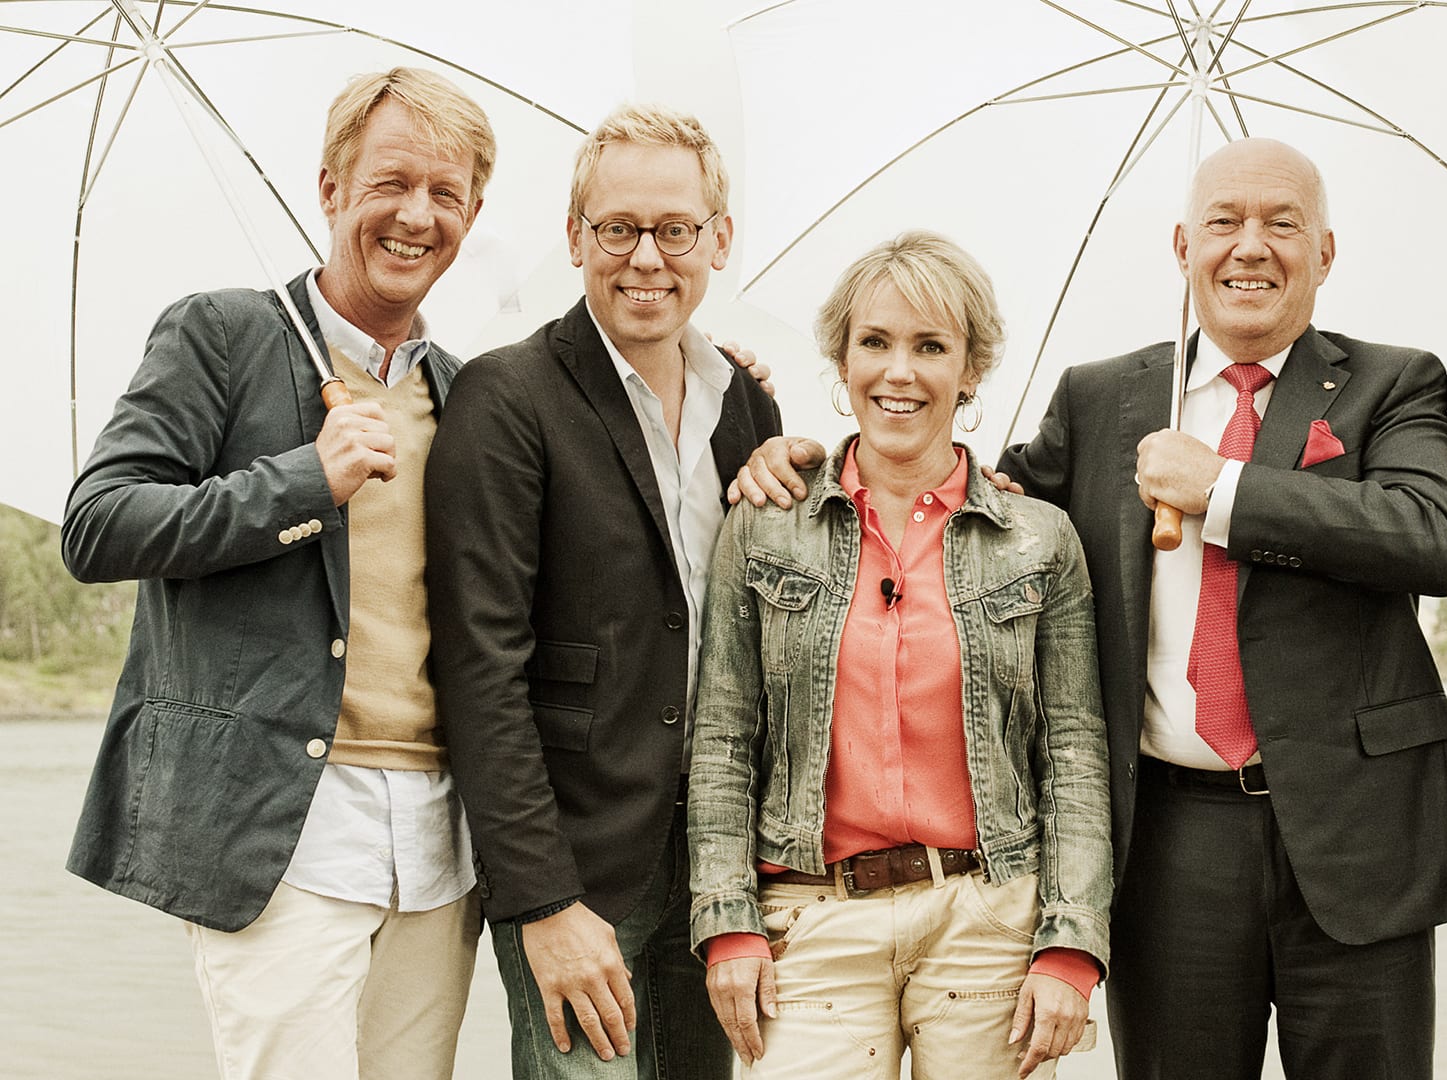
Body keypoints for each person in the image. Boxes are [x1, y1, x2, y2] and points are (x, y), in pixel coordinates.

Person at [732, 139, 1447, 1079]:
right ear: (1184, 246)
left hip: (1360, 836)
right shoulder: (1101, 396)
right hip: (1169, 838)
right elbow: (972, 501)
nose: (1250, 246)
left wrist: (1221, 488)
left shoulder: (1396, 380)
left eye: (1282, 223)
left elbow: (1431, 537)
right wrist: (803, 460)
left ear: (1326, 252)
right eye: (1223, 222)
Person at [60, 68, 495, 1078]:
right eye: (390, 182)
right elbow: (99, 524)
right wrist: (304, 481)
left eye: (446, 193)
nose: (416, 215)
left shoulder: (467, 390)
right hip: (278, 830)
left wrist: (718, 400)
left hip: (438, 842)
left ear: (472, 216)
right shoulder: (219, 334)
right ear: (331, 188)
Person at [688, 230, 1111, 1080]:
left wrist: (1071, 945)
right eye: (875, 342)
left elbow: (1072, 751)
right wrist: (727, 919)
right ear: (842, 361)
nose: (899, 371)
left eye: (931, 347)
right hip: (811, 919)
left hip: (988, 919)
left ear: (971, 369)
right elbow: (725, 737)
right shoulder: (765, 523)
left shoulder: (1040, 539)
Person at [424, 103, 780, 1079]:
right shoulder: (506, 398)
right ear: (576, 236)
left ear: (719, 239)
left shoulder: (746, 403)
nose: (646, 258)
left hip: (717, 874)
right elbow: (479, 669)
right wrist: (542, 901)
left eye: (675, 230)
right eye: (618, 228)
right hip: (578, 876)